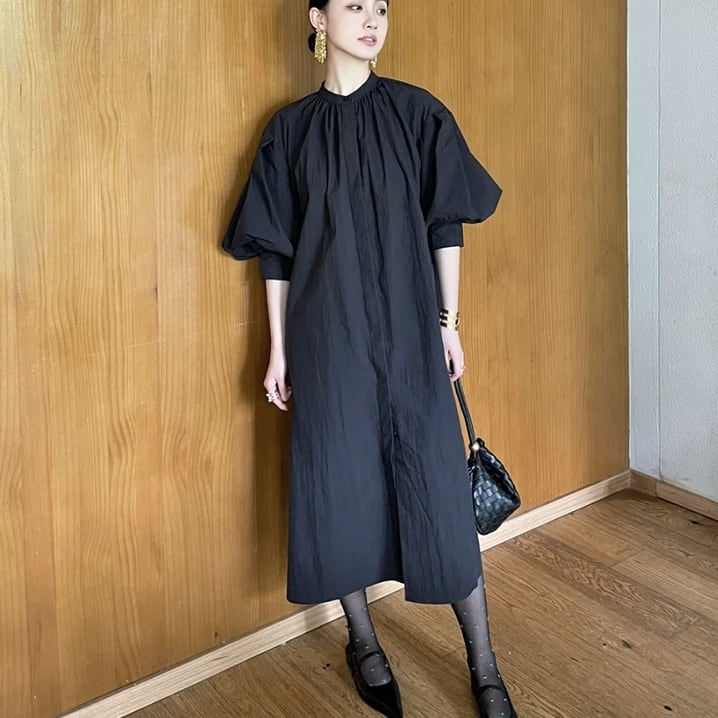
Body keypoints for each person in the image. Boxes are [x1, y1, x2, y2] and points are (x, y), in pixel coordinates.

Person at [222, 1, 517, 716]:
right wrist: (279, 349)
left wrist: (449, 323)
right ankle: (364, 643)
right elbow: (274, 252)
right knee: (337, 488)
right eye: (353, 5)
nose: (372, 18)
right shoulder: (289, 131)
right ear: (318, 20)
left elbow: (445, 223)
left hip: (413, 333)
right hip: (328, 339)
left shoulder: (418, 114)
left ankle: (484, 666)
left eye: (380, 6)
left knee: (438, 493)